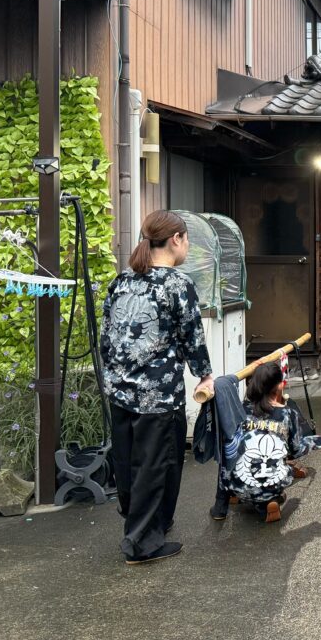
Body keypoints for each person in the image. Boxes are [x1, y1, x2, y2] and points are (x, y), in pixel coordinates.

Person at [101, 210, 213, 565]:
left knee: (128, 462)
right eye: (187, 240)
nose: (187, 246)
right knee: (156, 465)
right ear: (177, 239)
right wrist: (204, 374)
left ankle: (146, 526)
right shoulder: (176, 284)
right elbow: (191, 336)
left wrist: (114, 377)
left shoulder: (121, 281)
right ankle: (142, 544)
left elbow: (106, 337)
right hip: (157, 394)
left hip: (120, 391)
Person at [209, 361, 321, 524]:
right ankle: (270, 500)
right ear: (279, 386)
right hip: (269, 482)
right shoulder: (288, 413)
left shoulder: (239, 410)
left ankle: (221, 506)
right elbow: (296, 450)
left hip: (235, 482)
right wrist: (317, 441)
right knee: (279, 464)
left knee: (230, 451)